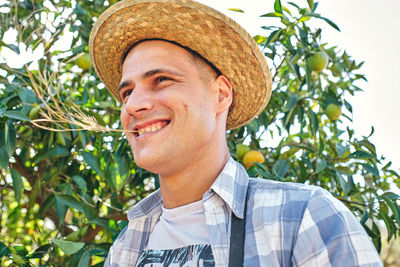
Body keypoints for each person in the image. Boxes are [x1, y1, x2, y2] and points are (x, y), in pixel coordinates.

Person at [89, 0, 382, 266]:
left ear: (220, 95)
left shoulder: (303, 219)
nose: (135, 105)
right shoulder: (126, 246)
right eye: (127, 92)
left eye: (162, 79)